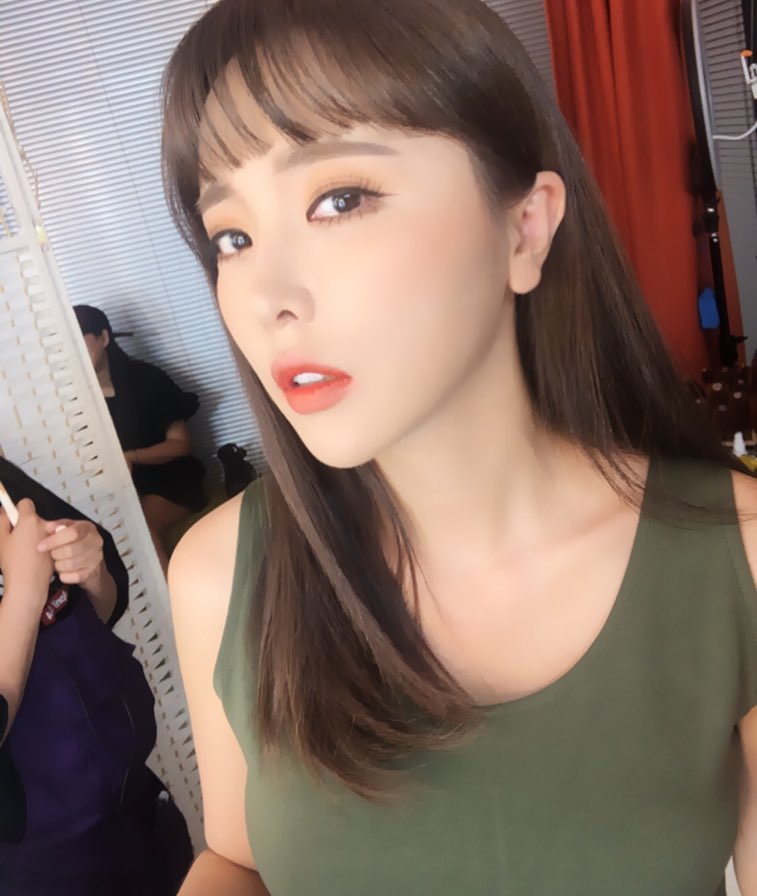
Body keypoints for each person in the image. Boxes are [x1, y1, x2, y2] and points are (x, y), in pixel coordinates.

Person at [160, 0, 757, 893]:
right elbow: (237, 859)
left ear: (524, 228)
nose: (266, 296)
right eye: (232, 238)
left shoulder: (735, 557)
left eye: (339, 199)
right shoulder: (220, 573)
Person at [0, 455, 193, 894]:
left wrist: (91, 568)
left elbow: (97, 606)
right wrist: (24, 593)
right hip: (50, 859)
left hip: (138, 797)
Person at [73, 304, 208, 572]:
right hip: (122, 488)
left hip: (170, 479)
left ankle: (169, 595)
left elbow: (180, 445)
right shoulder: (76, 399)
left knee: (139, 526)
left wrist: (132, 457)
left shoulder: (146, 379)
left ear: (103, 337)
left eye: (80, 339)